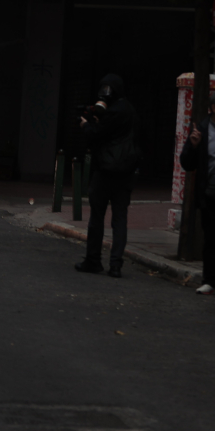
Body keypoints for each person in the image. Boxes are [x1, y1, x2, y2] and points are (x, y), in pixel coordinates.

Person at [75, 74, 140, 279]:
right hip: (126, 172)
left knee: (97, 217)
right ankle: (115, 265)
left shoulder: (112, 113)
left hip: (105, 170)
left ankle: (93, 260)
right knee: (120, 218)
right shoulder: (130, 111)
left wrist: (87, 125)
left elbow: (97, 136)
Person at [179, 90, 215, 311]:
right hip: (211, 192)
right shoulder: (201, 131)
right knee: (211, 237)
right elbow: (187, 163)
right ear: (214, 109)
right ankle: (210, 280)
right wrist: (193, 146)